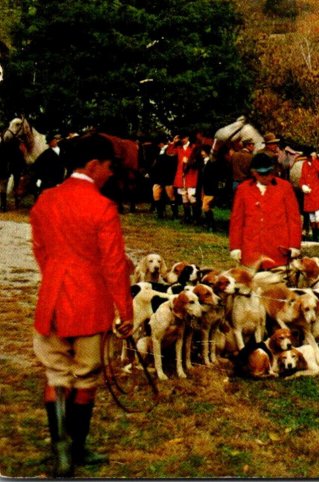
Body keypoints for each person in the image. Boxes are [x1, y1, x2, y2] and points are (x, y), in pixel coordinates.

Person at [29, 133, 134, 477]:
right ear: (93, 166)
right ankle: (76, 449)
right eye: (107, 167)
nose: (109, 174)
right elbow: (114, 265)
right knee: (86, 375)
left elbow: (41, 251)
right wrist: (126, 312)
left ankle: (60, 449)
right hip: (90, 305)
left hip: (52, 301)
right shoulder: (102, 206)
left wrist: (57, 278)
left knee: (56, 372)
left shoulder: (45, 200)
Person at [229, 153, 302, 269]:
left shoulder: (285, 187)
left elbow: (294, 219)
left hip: (277, 252)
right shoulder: (243, 189)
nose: (265, 177)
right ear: (253, 173)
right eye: (261, 174)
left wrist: (294, 245)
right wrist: (235, 247)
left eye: (268, 173)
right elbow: (237, 221)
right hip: (251, 251)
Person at [166, 132, 200, 223]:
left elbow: (198, 160)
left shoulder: (194, 147)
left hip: (191, 173)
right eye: (180, 138)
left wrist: (189, 161)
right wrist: (173, 142)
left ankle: (196, 218)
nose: (181, 140)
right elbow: (169, 153)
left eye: (183, 138)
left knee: (191, 196)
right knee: (184, 196)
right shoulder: (179, 147)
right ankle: (187, 217)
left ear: (187, 137)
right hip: (181, 174)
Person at [298, 149, 319, 243]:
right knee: (312, 217)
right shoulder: (305, 164)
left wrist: (315, 161)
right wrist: (302, 185)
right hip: (309, 194)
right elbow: (302, 178)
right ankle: (315, 240)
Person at [149, 135, 179, 219]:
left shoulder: (170, 149)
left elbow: (172, 163)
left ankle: (175, 214)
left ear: (160, 143)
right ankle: (160, 214)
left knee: (170, 195)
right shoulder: (159, 151)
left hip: (167, 176)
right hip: (158, 176)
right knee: (156, 193)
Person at [31, 133, 66, 201]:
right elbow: (37, 165)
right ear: (49, 143)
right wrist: (40, 178)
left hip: (62, 177)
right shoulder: (45, 154)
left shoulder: (63, 151)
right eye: (51, 142)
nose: (53, 142)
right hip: (50, 179)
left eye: (54, 140)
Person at [197, 144, 224, 231]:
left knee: (205, 206)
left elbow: (215, 176)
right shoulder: (204, 162)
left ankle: (211, 225)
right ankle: (209, 224)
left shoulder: (213, 162)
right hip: (204, 187)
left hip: (210, 188)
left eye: (203, 151)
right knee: (205, 206)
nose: (202, 153)